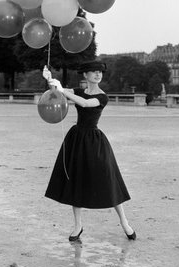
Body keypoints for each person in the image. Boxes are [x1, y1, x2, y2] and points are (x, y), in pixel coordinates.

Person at [43, 60, 136, 241]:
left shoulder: (103, 97)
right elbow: (57, 91)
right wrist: (50, 80)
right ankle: (78, 225)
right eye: (93, 72)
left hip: (94, 141)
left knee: (108, 180)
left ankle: (124, 222)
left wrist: (62, 90)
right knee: (76, 180)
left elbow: (85, 104)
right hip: (76, 139)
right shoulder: (79, 91)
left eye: (100, 72)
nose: (98, 74)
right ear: (85, 75)